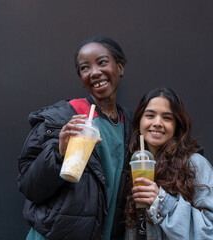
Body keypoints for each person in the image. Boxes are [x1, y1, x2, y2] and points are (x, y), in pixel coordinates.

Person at [17, 36, 133, 240]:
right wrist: (59, 152)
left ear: (120, 67)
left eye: (102, 62)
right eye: (84, 68)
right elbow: (30, 187)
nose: (94, 72)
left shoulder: (131, 125)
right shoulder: (60, 119)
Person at [124, 87, 213, 240]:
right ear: (139, 121)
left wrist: (162, 203)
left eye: (167, 118)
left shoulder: (194, 164)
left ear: (176, 126)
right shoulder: (134, 167)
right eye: (150, 115)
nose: (157, 123)